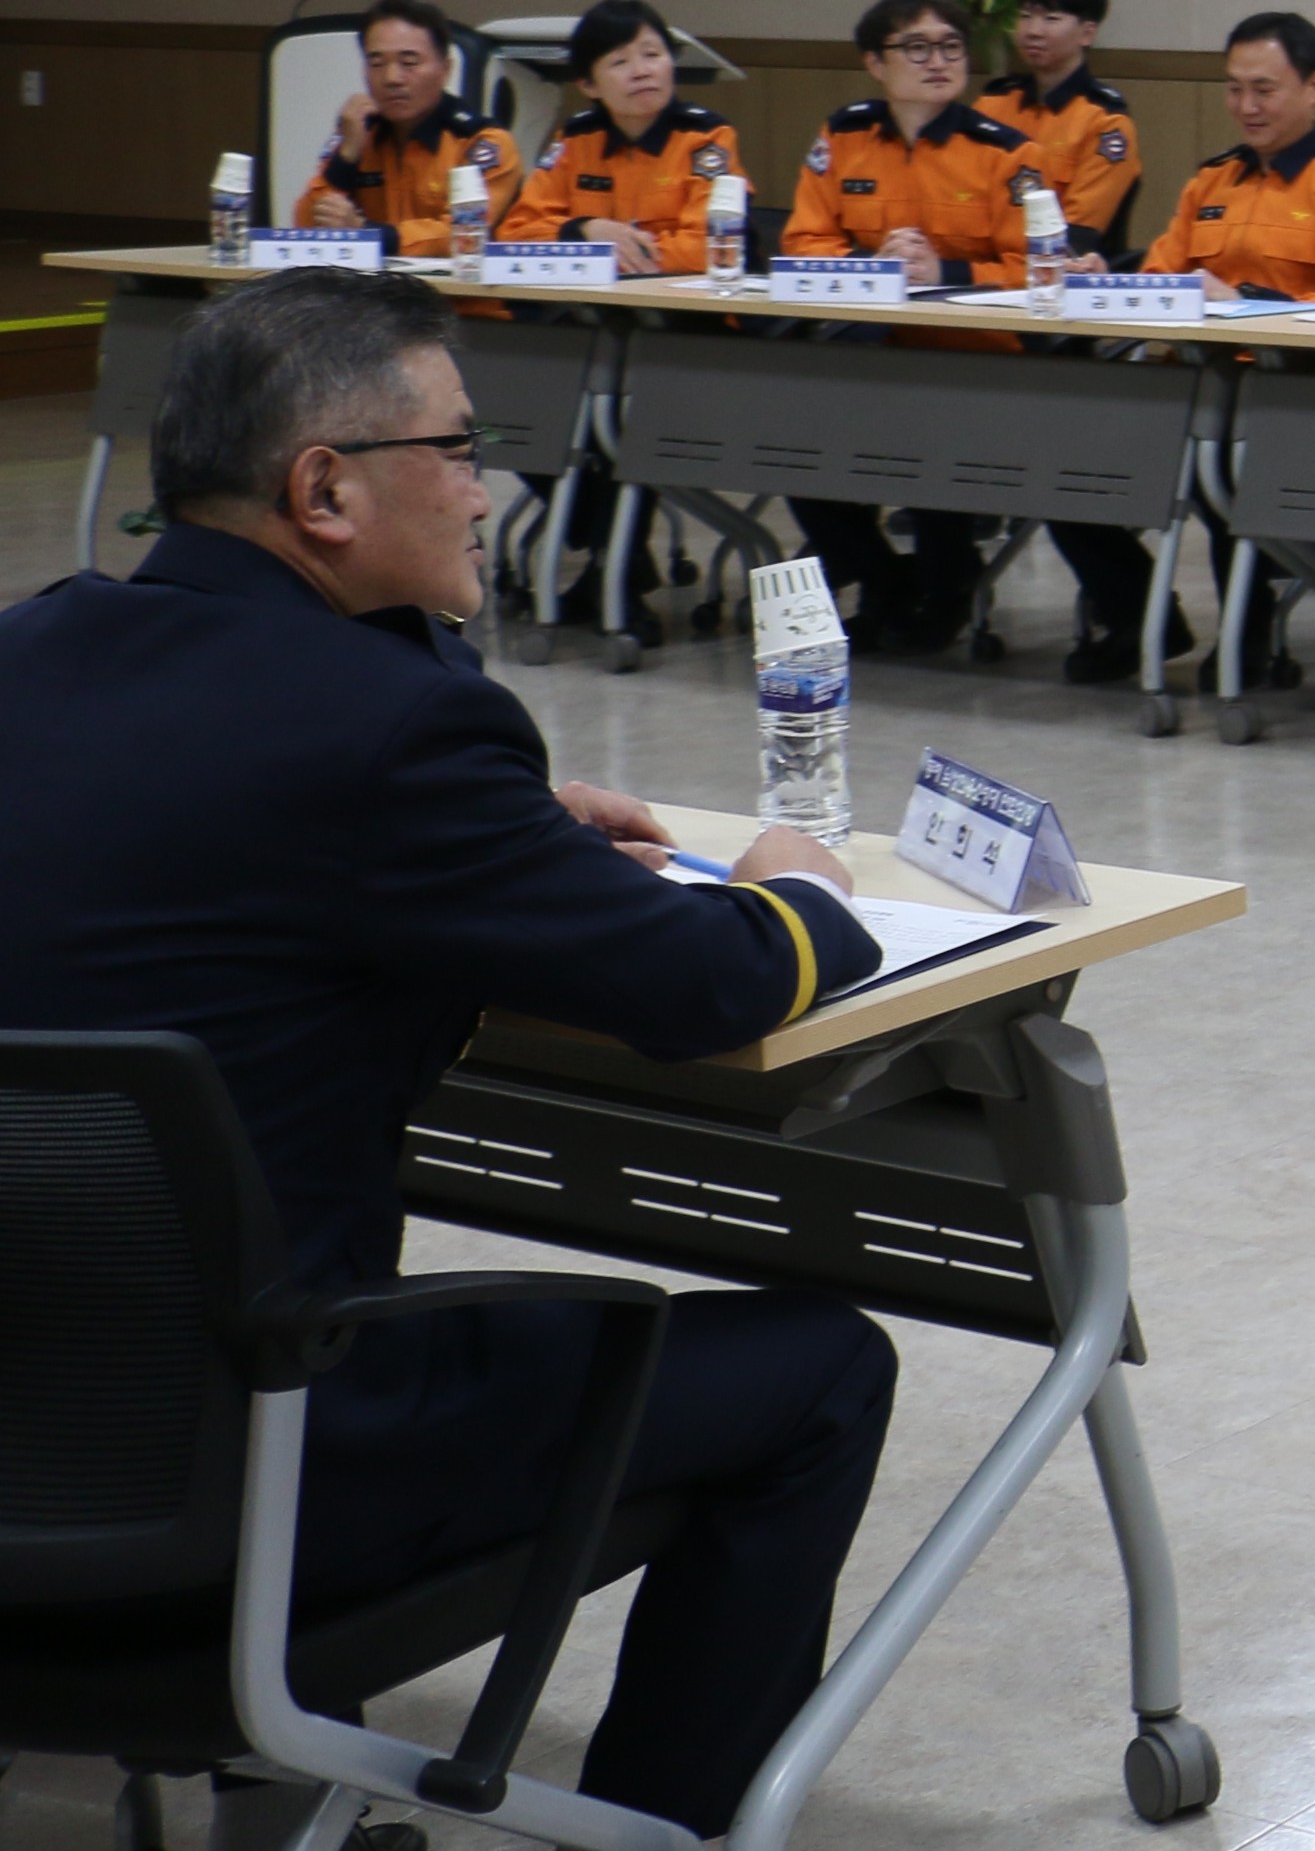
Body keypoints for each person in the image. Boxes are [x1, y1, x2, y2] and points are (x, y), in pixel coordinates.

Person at [0, 271, 891, 1844]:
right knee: (817, 1367)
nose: (485, 490)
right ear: (324, 489)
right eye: (459, 447)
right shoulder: (390, 730)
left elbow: (204, 840)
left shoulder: (32, 649)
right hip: (249, 1467)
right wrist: (800, 879)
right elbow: (714, 983)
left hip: (32, 1428)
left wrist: (498, 839)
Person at [1050, 11, 1315, 688]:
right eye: (1235, 89)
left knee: (1225, 460)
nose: (1246, 106)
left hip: (1290, 398)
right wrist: (1104, 280)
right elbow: (1160, 279)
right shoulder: (1211, 182)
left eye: (1264, 90)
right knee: (1061, 463)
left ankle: (1247, 637)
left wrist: (1243, 300)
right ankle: (1140, 618)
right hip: (1192, 385)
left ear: (1313, 87)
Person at [777, 0, 1041, 647]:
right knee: (789, 442)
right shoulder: (843, 136)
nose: (938, 61)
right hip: (867, 354)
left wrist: (944, 273)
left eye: (951, 47)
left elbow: (1040, 270)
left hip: (974, 362)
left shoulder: (1005, 153)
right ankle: (887, 579)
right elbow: (803, 242)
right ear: (876, 62)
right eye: (917, 48)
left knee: (929, 433)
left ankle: (943, 587)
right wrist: (874, 266)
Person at [535, 0, 743, 276]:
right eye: (620, 61)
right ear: (588, 85)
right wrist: (584, 230)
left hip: (680, 299)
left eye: (652, 55)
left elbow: (708, 247)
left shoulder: (706, 138)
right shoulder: (575, 140)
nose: (642, 72)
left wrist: (605, 254)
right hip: (588, 297)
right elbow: (516, 232)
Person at [295, 0, 518, 255]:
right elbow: (304, 226)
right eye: (376, 63)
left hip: (456, 282)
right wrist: (345, 157)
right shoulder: (359, 133)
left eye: (408, 63)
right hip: (367, 281)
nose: (392, 78)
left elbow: (462, 233)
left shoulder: (481, 142)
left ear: (445, 69)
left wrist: (366, 233)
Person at [974, 0, 1141, 257]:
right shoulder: (992, 105)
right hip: (982, 265)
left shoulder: (1105, 122)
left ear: (1087, 33)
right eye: (1025, 16)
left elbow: (1077, 238)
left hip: (1061, 271)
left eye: (1051, 19)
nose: (1032, 31)